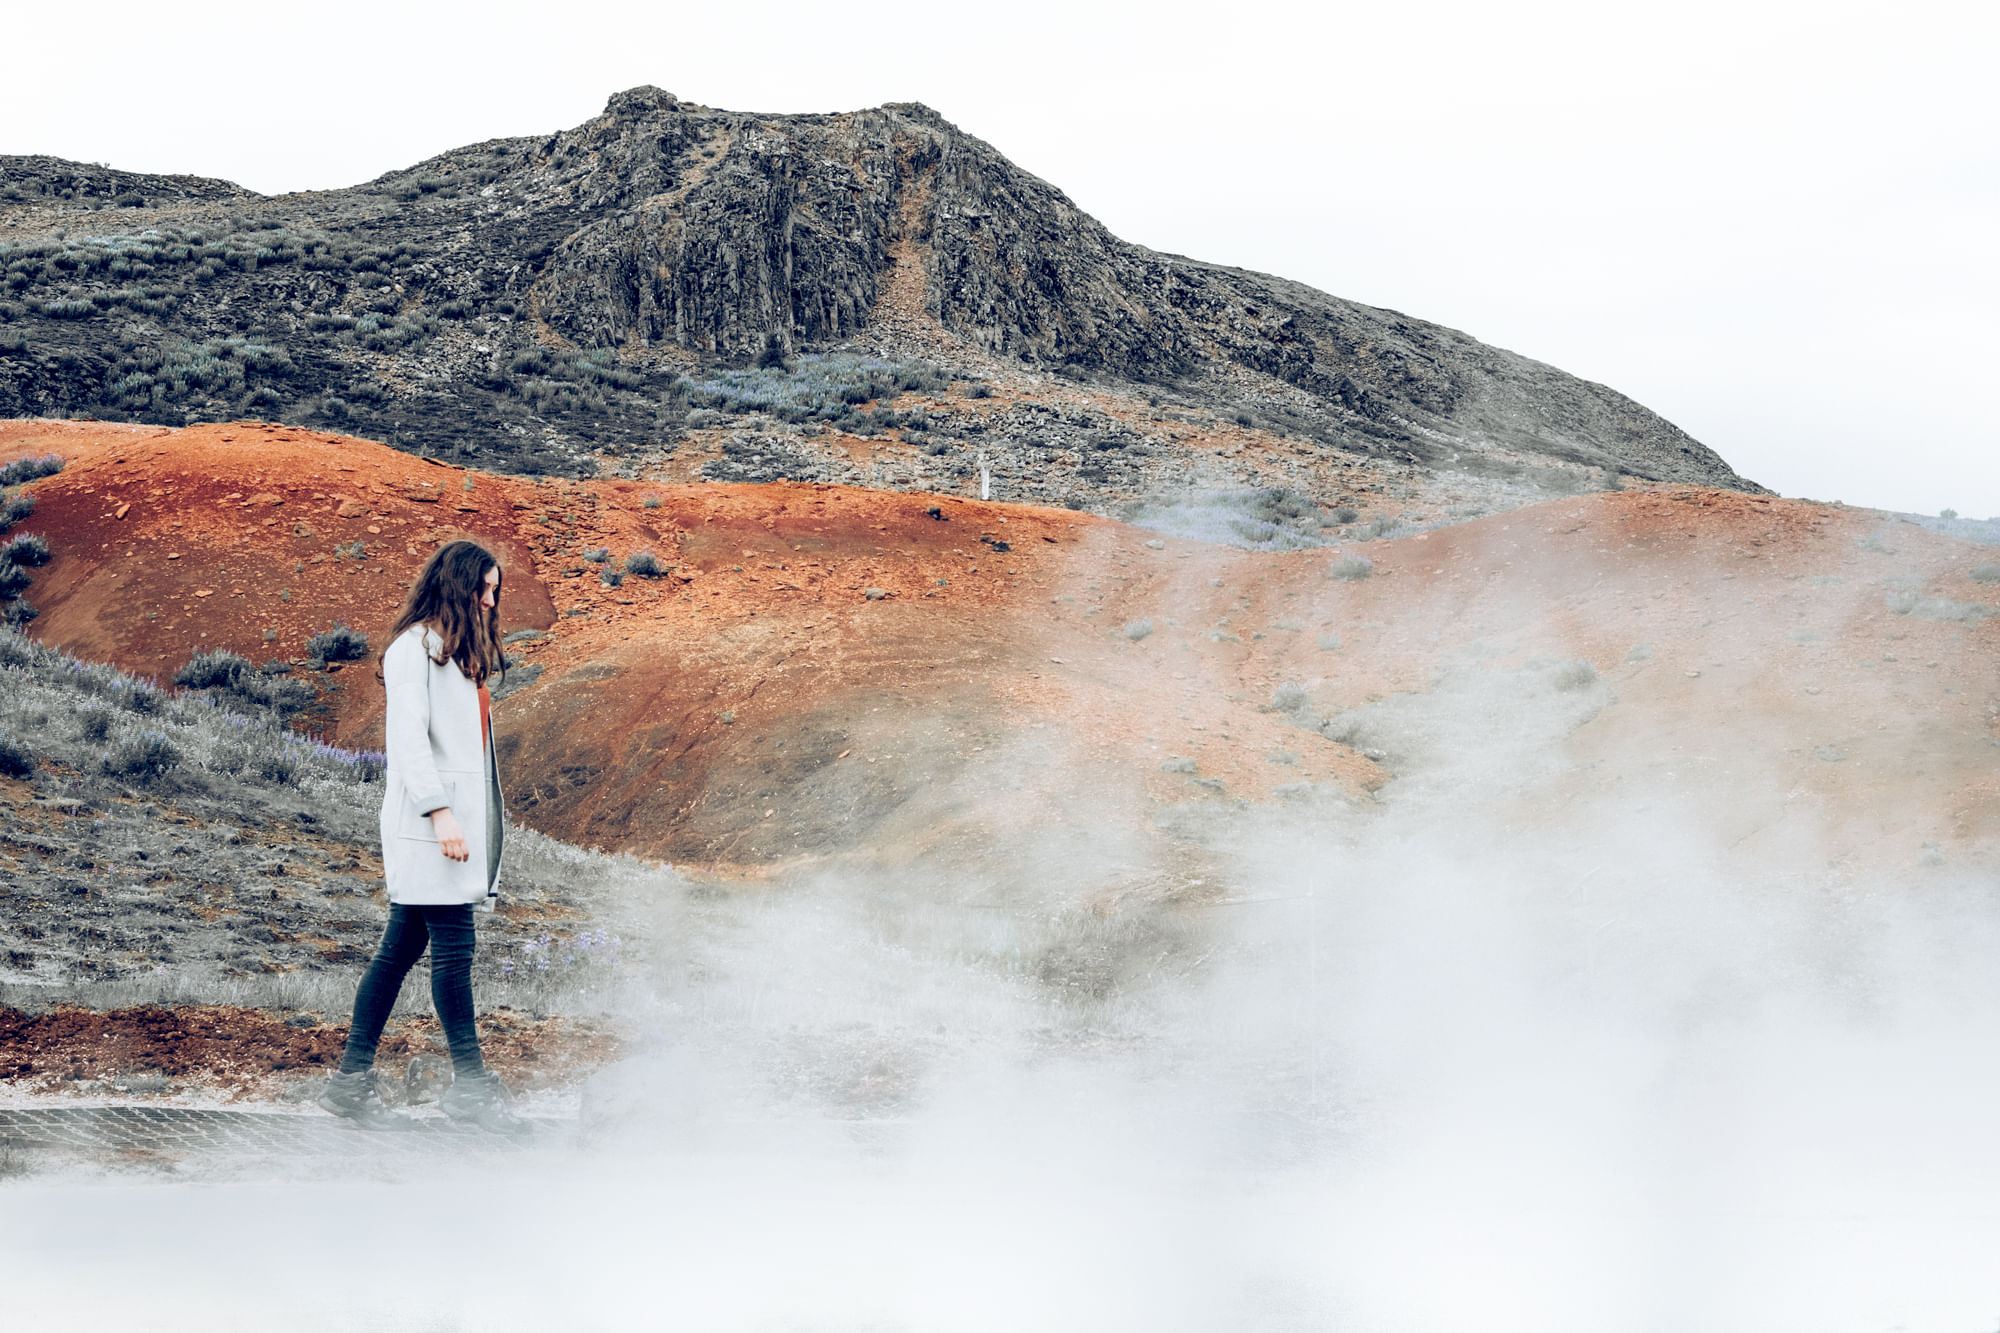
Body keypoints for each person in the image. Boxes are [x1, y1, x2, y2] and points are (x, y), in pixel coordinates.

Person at [318, 539, 527, 1135]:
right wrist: (440, 814)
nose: (490, 601)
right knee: (453, 950)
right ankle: (472, 1086)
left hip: (449, 827)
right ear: (454, 586)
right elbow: (408, 742)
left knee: (399, 952)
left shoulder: (454, 654)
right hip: (432, 828)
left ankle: (349, 1084)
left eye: (495, 590)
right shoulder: (413, 652)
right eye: (482, 589)